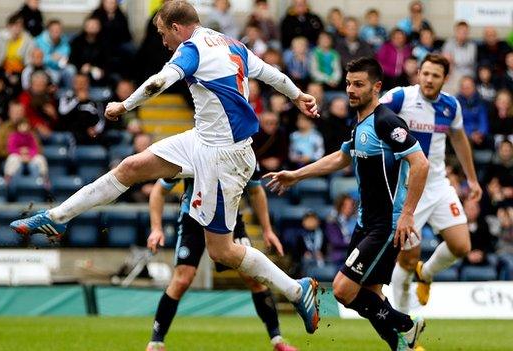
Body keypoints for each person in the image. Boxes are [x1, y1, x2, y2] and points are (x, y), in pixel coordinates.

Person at [11, 0, 321, 334]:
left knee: (221, 251)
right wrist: (298, 94)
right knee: (130, 167)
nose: (162, 41)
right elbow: (272, 75)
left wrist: (124, 105)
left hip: (223, 156)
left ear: (176, 27)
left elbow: (159, 82)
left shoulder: (191, 49)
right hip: (202, 139)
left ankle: (295, 288)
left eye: (162, 33)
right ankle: (56, 218)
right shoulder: (231, 43)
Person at [264, 57, 429, 350]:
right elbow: (341, 157)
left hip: (385, 225)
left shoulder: (386, 121)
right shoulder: (360, 124)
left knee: (342, 290)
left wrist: (407, 214)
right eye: (348, 84)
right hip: (366, 223)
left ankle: (404, 321)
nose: (350, 90)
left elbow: (420, 164)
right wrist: (296, 175)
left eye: (358, 84)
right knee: (371, 294)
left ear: (377, 87)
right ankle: (403, 344)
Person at [146, 170, 296, 351]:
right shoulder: (191, 152)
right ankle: (156, 342)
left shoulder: (243, 153)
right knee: (182, 279)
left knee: (253, 278)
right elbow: (159, 190)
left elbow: (256, 191)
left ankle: (277, 340)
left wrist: (267, 230)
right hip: (193, 220)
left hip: (229, 218)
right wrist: (156, 228)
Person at [381, 54, 482, 313]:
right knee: (406, 259)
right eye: (425, 73)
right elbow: (372, 116)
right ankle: (403, 326)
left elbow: (459, 140)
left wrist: (472, 179)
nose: (428, 79)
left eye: (435, 75)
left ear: (445, 79)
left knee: (461, 245)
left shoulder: (451, 106)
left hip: (438, 184)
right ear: (418, 74)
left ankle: (425, 273)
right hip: (407, 190)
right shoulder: (401, 98)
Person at [58, 74, 105, 145]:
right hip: (72, 133)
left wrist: (96, 130)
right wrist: (77, 99)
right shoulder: (66, 98)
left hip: (92, 133)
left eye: (83, 83)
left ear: (88, 84)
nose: (80, 85)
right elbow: (63, 112)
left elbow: (102, 118)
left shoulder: (96, 101)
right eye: (77, 83)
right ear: (73, 84)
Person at [0, 13, 35, 78]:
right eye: (15, 25)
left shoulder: (28, 39)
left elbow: (28, 60)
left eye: (21, 26)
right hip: (1, 68)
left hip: (20, 70)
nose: (18, 28)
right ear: (9, 26)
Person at [35, 19, 75, 89]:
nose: (56, 31)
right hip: (45, 68)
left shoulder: (64, 40)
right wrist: (51, 58)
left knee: (71, 70)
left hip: (60, 68)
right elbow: (37, 59)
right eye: (53, 29)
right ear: (48, 30)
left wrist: (59, 59)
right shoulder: (38, 41)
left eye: (58, 29)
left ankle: (70, 93)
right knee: (54, 76)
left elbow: (66, 53)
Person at [457, 76, 489, 149]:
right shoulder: (456, 103)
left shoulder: (481, 102)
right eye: (464, 87)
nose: (466, 89)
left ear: (474, 87)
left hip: (480, 136)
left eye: (468, 87)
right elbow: (457, 123)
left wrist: (480, 133)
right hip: (463, 135)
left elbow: (483, 121)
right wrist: (470, 134)